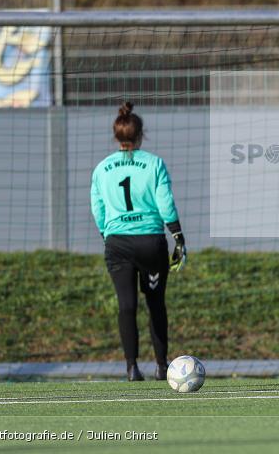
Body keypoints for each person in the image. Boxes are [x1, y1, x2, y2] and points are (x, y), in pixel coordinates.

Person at [90, 102, 186, 382]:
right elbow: (165, 202)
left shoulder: (102, 168)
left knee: (126, 305)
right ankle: (160, 365)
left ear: (117, 135)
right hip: (150, 242)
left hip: (117, 242)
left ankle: (131, 367)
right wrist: (178, 236)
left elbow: (98, 209)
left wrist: (107, 235)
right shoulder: (154, 163)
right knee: (155, 303)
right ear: (141, 134)